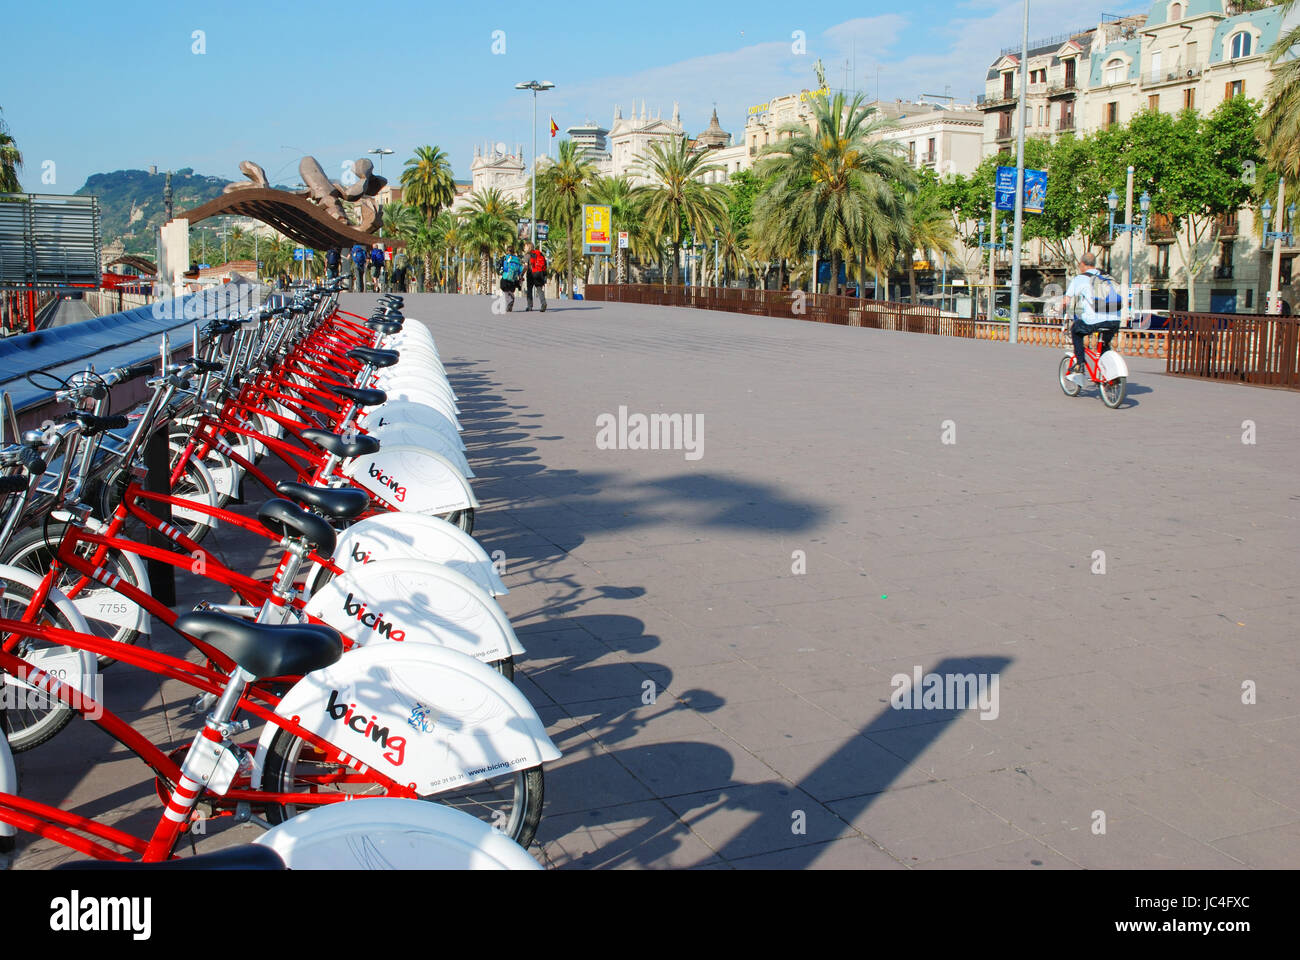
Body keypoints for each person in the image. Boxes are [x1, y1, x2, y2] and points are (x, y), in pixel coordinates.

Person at [1061, 252, 1122, 386]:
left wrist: (1061, 310)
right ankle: (1108, 373)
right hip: (1115, 321)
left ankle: (1080, 364)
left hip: (1095, 320)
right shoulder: (1107, 277)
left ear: (1082, 264)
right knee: (1104, 344)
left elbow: (1066, 300)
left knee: (1076, 330)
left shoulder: (1080, 279)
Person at [522, 240, 547, 313]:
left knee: (529, 290)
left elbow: (526, 267)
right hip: (539, 274)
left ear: (528, 247)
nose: (524, 248)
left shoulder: (527, 255)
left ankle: (529, 306)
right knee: (539, 290)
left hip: (530, 275)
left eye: (525, 247)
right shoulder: (538, 254)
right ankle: (543, 303)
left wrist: (522, 274)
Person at [498, 245, 523, 312]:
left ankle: (509, 301)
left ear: (507, 251)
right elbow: (520, 270)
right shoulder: (517, 259)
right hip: (514, 279)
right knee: (511, 291)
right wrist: (520, 277)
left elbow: (505, 268)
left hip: (506, 277)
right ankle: (511, 298)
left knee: (505, 290)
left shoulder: (506, 258)